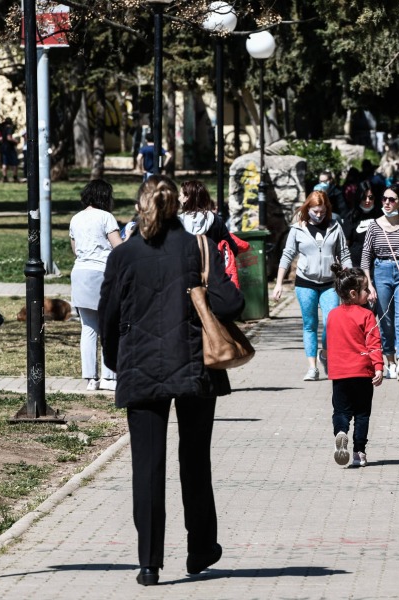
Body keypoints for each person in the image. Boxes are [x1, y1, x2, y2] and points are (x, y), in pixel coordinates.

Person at [98, 175, 244, 587]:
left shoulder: (124, 255)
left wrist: (115, 359)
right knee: (195, 460)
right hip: (194, 366)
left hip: (140, 367)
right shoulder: (197, 247)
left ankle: (149, 563)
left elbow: (108, 316)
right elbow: (233, 302)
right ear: (176, 205)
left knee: (146, 466)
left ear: (142, 205)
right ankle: (200, 548)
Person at [272, 190, 352, 381]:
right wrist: (278, 283)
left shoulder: (335, 227)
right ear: (307, 208)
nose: (318, 215)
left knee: (331, 323)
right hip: (305, 283)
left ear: (327, 210)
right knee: (309, 325)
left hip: (329, 284)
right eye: (315, 211)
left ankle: (325, 352)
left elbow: (345, 254)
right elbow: (287, 254)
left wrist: (351, 277)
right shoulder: (297, 229)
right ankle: (312, 368)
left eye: (322, 212)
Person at [360, 183, 399, 381]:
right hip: (381, 272)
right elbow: (365, 257)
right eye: (384, 199)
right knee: (385, 319)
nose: (387, 203)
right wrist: (369, 284)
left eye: (392, 199)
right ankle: (390, 362)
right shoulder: (374, 225)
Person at [326, 264, 383, 468]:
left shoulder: (332, 315)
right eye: (366, 289)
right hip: (362, 371)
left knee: (341, 411)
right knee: (362, 414)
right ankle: (359, 452)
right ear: (353, 293)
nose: (369, 292)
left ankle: (341, 432)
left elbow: (330, 342)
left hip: (339, 373)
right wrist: (378, 367)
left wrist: (328, 365)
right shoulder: (367, 315)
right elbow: (374, 343)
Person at [69, 179, 123, 392]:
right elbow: (118, 247)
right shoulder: (106, 217)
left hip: (80, 274)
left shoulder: (76, 219)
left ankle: (91, 378)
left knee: (88, 328)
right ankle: (109, 377)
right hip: (102, 274)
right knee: (109, 327)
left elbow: (75, 249)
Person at [342, 179, 383, 268]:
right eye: (364, 197)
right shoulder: (351, 217)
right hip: (357, 265)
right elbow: (345, 244)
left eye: (371, 197)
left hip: (377, 264)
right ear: (358, 197)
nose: (367, 201)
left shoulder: (381, 215)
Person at [0, 118, 20, 183]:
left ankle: (4, 177)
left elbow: (1, 138)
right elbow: (9, 138)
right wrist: (16, 141)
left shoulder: (3, 129)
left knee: (4, 163)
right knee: (15, 163)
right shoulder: (9, 128)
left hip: (4, 148)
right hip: (10, 148)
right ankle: (15, 177)